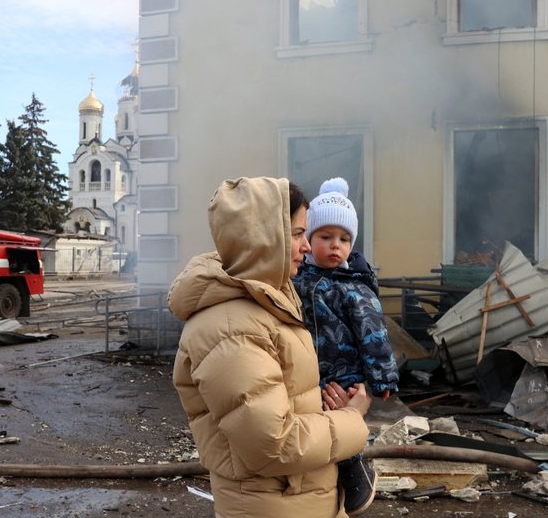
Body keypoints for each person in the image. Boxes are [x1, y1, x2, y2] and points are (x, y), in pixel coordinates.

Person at [170, 177, 372, 518]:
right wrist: (351, 417)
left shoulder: (269, 303)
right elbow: (273, 445)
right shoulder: (232, 328)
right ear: (264, 238)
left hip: (299, 500)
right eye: (296, 234)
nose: (307, 246)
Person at [293, 177, 400, 517]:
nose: (335, 246)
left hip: (344, 369)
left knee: (341, 425)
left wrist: (382, 378)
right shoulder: (297, 278)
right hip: (310, 369)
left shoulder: (354, 287)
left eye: (344, 239)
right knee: (318, 429)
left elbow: (374, 334)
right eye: (325, 237)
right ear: (308, 239)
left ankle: (357, 478)